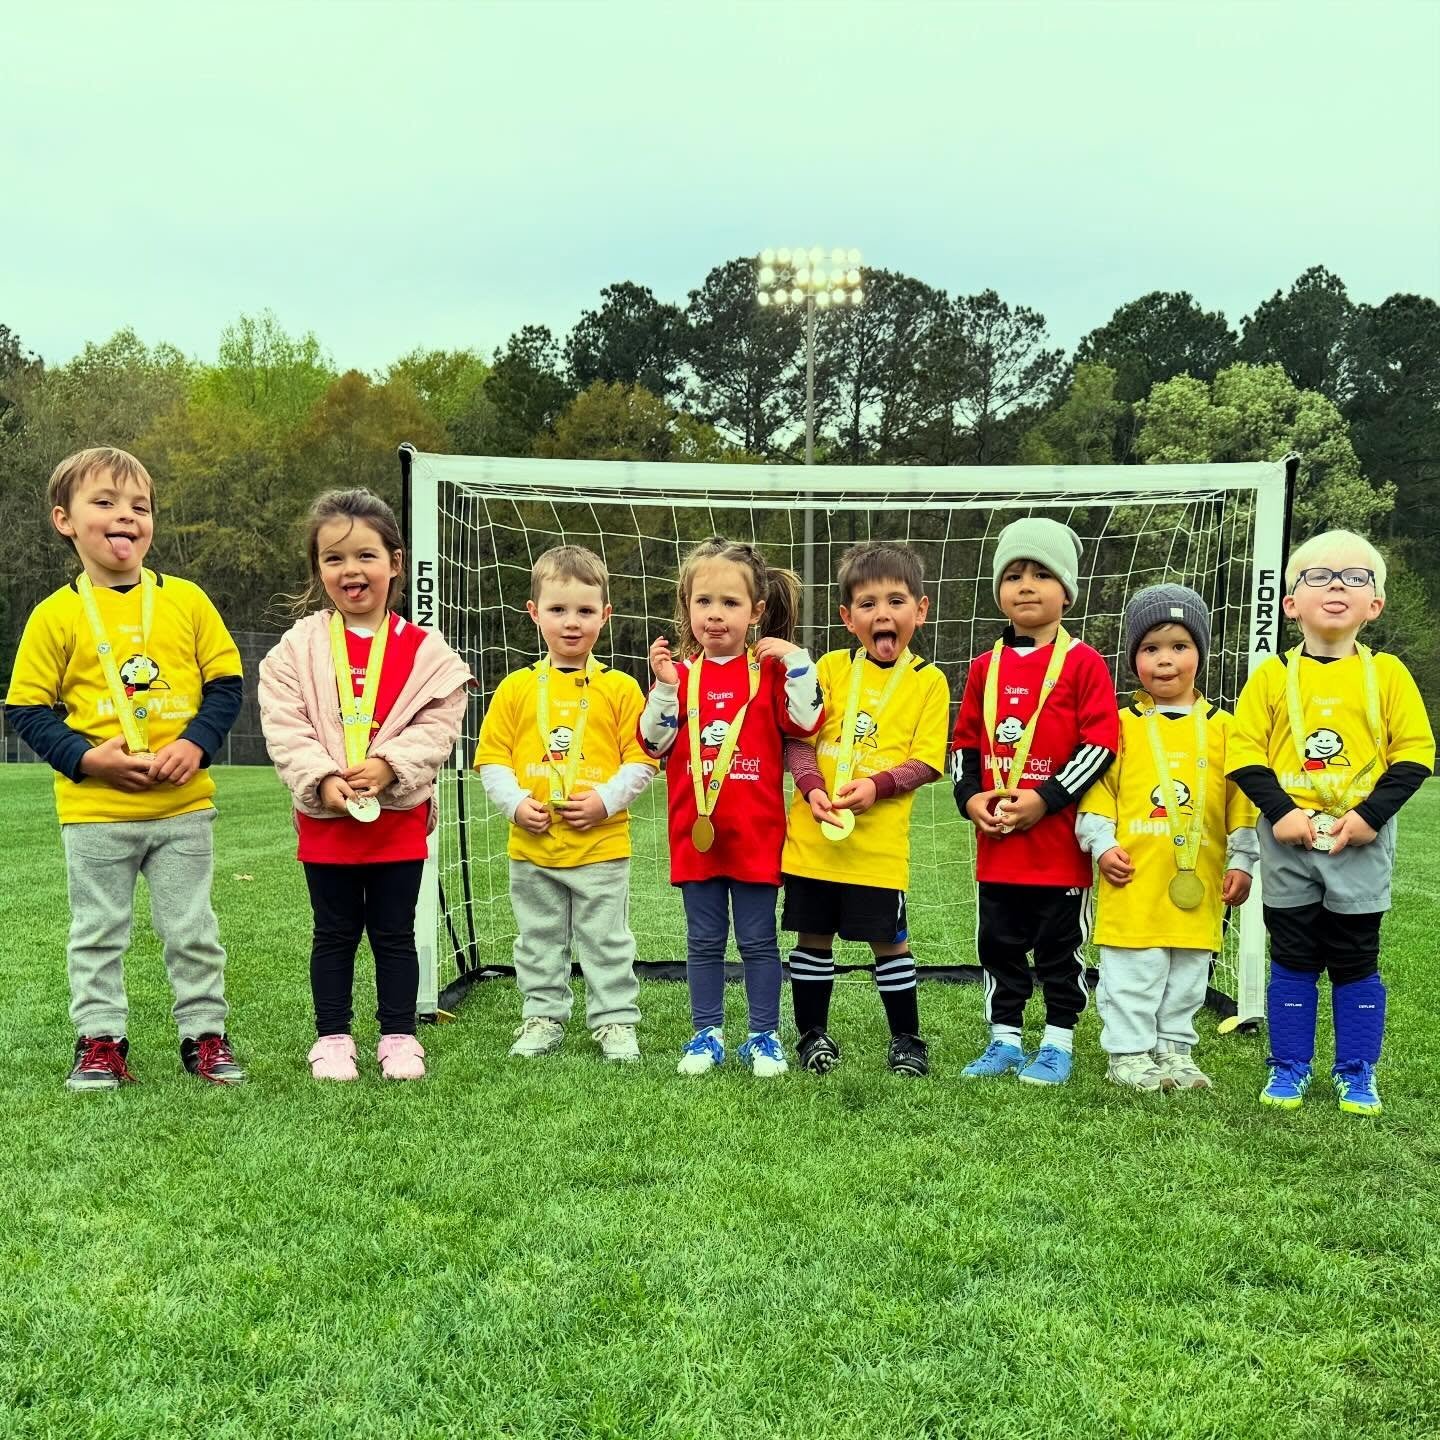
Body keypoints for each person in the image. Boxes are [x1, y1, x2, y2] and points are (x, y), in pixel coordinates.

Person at [5, 446, 246, 1090]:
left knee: (192, 930)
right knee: (98, 933)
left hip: (182, 808)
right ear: (65, 520)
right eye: (105, 502)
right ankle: (100, 1042)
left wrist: (194, 745)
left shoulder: (187, 600)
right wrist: (87, 759)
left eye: (140, 506)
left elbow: (226, 685)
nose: (126, 516)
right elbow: (26, 709)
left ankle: (205, 1036)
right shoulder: (55, 615)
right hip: (96, 813)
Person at [259, 489, 471, 1082]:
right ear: (318, 569)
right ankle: (332, 1037)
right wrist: (322, 778)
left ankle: (399, 1036)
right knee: (333, 934)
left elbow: (440, 722)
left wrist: (390, 765)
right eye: (334, 558)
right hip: (326, 820)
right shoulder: (297, 648)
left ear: (395, 562)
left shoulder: (425, 650)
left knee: (395, 934)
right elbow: (284, 723)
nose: (351, 570)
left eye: (365, 555)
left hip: (397, 818)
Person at [1228, 530, 1434, 1115]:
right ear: (1291, 604)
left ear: (1375, 604)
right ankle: (1289, 1067)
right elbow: (1244, 753)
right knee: (1293, 955)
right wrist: (1282, 813)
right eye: (1318, 576)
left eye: (1355, 577)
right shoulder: (1271, 675)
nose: (1337, 585)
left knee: (1355, 957)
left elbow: (1415, 753)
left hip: (1360, 839)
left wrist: (1369, 817)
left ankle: (1357, 1071)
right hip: (1288, 838)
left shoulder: (1388, 673)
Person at [639, 537, 822, 1077]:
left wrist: (798, 660)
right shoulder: (679, 677)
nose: (715, 614)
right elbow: (653, 743)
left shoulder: (770, 674)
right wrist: (664, 690)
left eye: (730, 603)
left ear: (756, 612)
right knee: (703, 941)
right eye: (703, 602)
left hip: (755, 835)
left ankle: (764, 1036)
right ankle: (707, 1034)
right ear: (686, 607)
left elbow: (807, 722)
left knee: (759, 941)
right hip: (695, 833)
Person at [952, 518, 1119, 1086]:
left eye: (1042, 574)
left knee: (1057, 950)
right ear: (999, 590)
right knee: (998, 946)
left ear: (1066, 592)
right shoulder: (984, 667)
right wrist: (970, 798)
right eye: (1014, 575)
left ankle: (1057, 1043)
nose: (1026, 585)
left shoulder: (1084, 662)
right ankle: (1003, 1040)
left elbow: (1101, 745)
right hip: (997, 847)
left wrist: (1045, 800)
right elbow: (965, 745)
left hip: (1057, 848)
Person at [476, 546, 656, 1063]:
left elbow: (642, 761)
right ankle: (543, 1016)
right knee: (538, 939)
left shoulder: (621, 688)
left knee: (607, 940)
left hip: (601, 847)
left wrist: (603, 801)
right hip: (532, 848)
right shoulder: (515, 688)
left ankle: (615, 1020)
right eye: (558, 609)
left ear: (605, 615)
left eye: (584, 610)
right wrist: (515, 805)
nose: (571, 622)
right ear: (535, 613)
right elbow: (492, 760)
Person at [1077, 585, 1258, 1092]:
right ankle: (1128, 1054)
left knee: (1188, 973)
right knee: (1133, 972)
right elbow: (1097, 793)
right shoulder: (1119, 726)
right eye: (1150, 648)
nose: (1165, 660)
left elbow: (1242, 803)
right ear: (1133, 658)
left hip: (1199, 883)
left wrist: (1242, 861)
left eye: (1179, 646)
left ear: (1201, 653)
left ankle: (1174, 1050)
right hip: (1134, 881)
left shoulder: (1226, 729)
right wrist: (1102, 844)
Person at [782, 541, 949, 1077]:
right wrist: (811, 786)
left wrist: (878, 785)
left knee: (890, 943)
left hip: (877, 851)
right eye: (868, 603)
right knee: (813, 941)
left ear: (920, 610)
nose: (882, 614)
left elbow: (927, 761)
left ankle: (906, 1040)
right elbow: (799, 739)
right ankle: (812, 1036)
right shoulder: (829, 668)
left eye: (896, 601)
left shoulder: (929, 681)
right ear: (847, 616)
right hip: (813, 842)